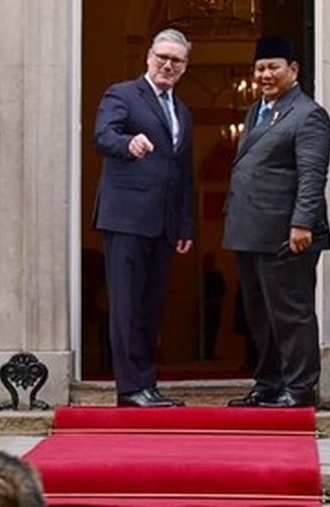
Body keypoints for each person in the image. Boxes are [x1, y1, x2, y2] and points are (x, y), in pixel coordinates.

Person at [222, 35, 330, 408]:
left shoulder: (308, 114)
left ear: (293, 70)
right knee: (259, 315)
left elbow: (312, 174)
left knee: (290, 313)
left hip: (287, 233)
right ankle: (268, 382)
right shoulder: (257, 110)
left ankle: (299, 388)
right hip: (251, 230)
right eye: (259, 68)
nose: (265, 74)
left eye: (273, 67)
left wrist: (302, 223)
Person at [92, 28, 195, 407]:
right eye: (162, 57)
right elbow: (103, 135)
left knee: (151, 307)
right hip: (126, 218)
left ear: (185, 67)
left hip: (164, 224)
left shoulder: (181, 111)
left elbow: (184, 173)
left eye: (176, 60)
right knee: (127, 305)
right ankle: (130, 388)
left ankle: (147, 384)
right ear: (149, 57)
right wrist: (127, 143)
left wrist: (185, 225)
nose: (168, 65)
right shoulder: (122, 94)